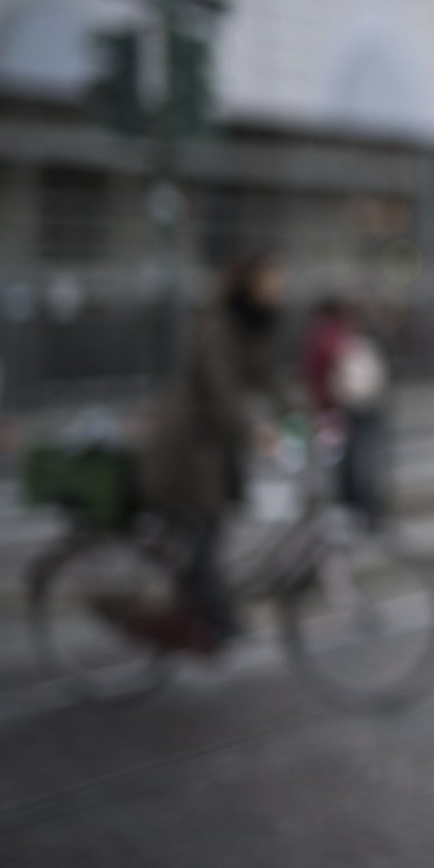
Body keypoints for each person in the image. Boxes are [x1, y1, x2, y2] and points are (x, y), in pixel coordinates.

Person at [141, 250, 293, 650]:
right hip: (187, 448)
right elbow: (223, 396)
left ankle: (201, 611)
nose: (280, 289)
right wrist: (257, 431)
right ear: (249, 285)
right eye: (272, 280)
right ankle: (216, 620)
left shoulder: (249, 329)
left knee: (209, 531)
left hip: (210, 447)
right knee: (204, 532)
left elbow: (271, 379)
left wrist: (309, 414)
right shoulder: (218, 328)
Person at [303, 296, 391, 528]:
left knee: (346, 462)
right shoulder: (349, 334)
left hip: (337, 408)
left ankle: (352, 510)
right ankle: (364, 511)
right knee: (360, 461)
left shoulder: (323, 337)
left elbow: (315, 377)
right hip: (360, 406)